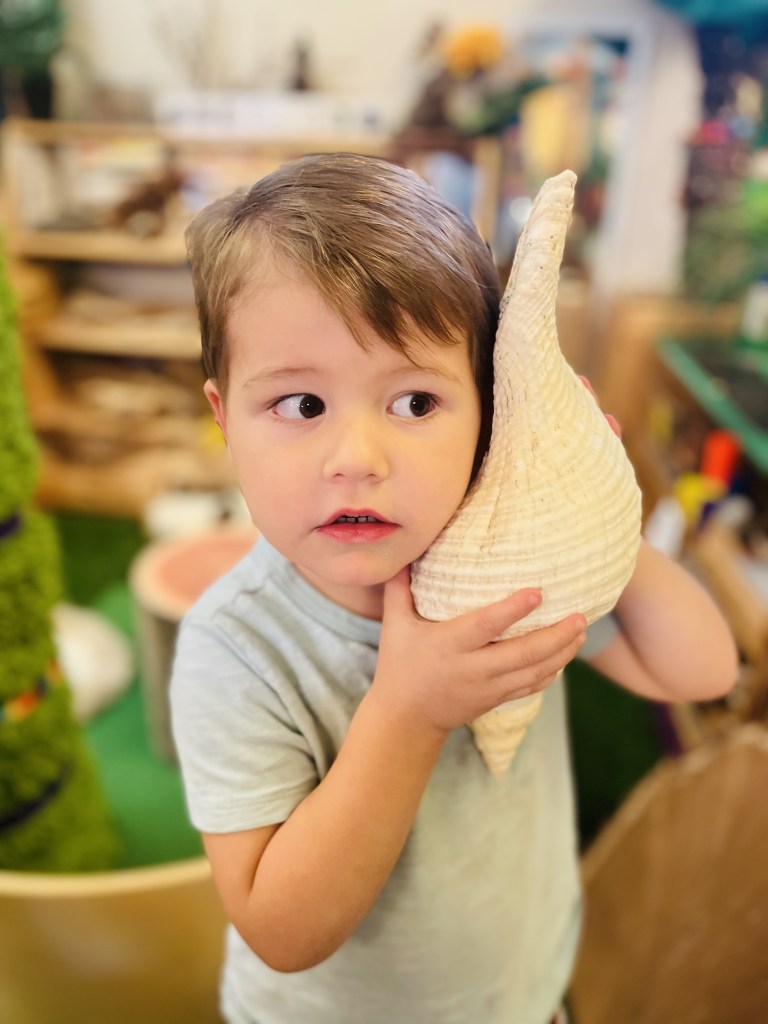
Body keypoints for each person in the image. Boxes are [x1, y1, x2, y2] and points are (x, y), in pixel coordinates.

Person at [170, 153, 738, 1024]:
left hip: (523, 1000)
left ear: (492, 414)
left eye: (415, 404)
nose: (357, 459)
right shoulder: (236, 648)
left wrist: (593, 507)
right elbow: (281, 930)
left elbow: (701, 672)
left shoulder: (502, 573)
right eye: (301, 406)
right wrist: (408, 710)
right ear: (223, 419)